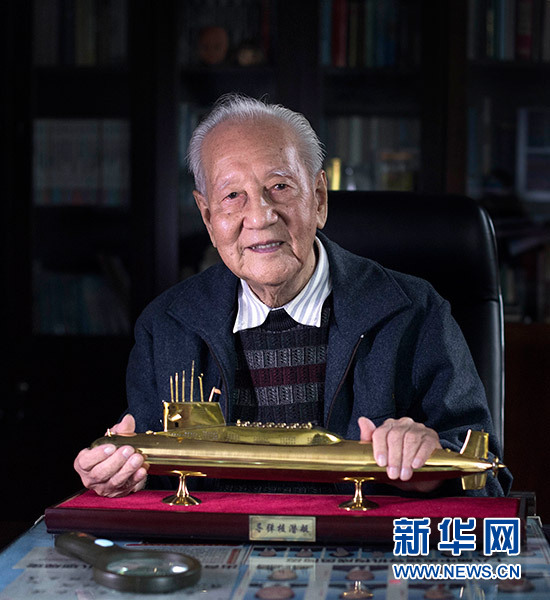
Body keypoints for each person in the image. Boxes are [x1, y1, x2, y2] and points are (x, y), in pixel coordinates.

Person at [74, 94, 512, 498]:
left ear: (318, 198)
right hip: (217, 554)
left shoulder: (415, 311)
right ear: (208, 217)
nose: (260, 216)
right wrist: (118, 476)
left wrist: (433, 467)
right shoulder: (167, 326)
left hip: (359, 553)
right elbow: (153, 483)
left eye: (280, 187)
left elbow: (490, 482)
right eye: (232, 196)